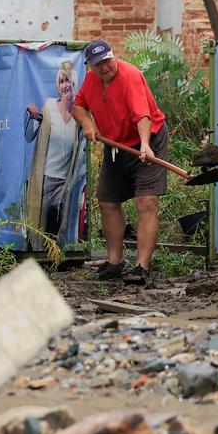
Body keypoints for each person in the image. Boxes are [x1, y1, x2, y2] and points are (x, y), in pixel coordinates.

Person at [71, 39, 169, 285]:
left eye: (107, 61)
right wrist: (88, 124)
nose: (104, 67)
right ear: (90, 66)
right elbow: (78, 106)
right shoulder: (92, 81)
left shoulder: (130, 77)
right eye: (98, 64)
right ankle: (114, 263)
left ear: (113, 56)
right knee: (108, 201)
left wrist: (145, 145)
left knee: (146, 201)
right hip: (116, 145)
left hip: (147, 140)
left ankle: (141, 267)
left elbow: (143, 116)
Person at [23, 60, 83, 246]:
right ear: (58, 86)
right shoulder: (49, 107)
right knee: (39, 227)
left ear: (74, 83)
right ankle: (40, 262)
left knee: (56, 229)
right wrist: (33, 118)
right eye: (61, 81)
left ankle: (54, 264)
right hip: (46, 179)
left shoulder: (79, 115)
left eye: (68, 81)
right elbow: (29, 136)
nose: (65, 85)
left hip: (66, 182)